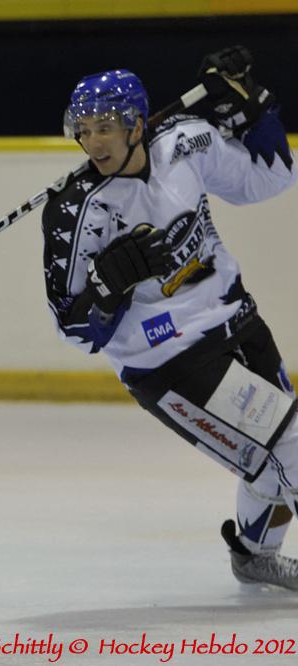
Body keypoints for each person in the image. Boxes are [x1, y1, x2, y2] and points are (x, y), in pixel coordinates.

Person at [41, 48, 298, 590]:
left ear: (137, 124)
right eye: (84, 130)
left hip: (236, 316)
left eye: (106, 127)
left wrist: (255, 112)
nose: (94, 142)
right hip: (170, 361)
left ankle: (255, 556)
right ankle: (256, 553)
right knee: (293, 442)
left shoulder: (186, 141)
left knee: (273, 460)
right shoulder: (75, 210)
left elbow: (271, 177)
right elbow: (73, 328)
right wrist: (107, 290)